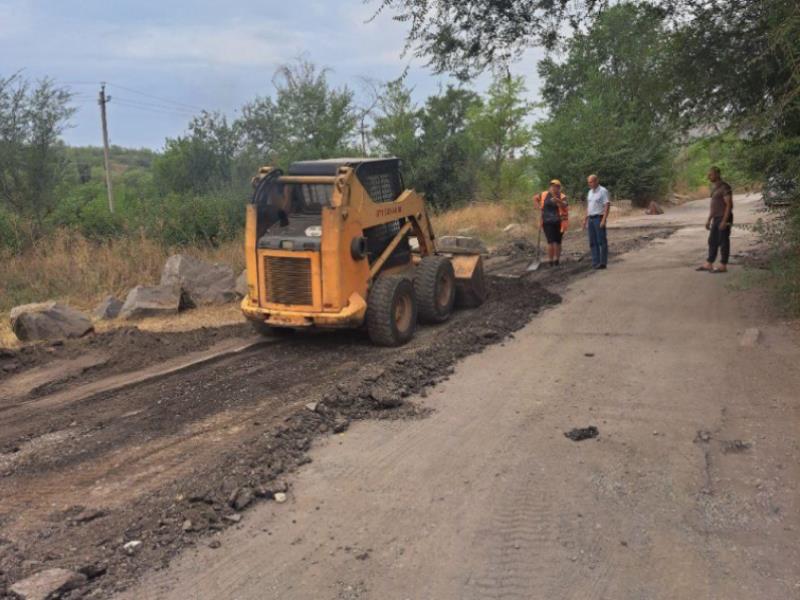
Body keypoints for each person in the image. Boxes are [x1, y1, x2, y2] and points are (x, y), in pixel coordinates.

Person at [697, 166, 733, 273]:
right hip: (716, 218)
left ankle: (723, 265)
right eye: (708, 174)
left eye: (710, 174)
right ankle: (709, 263)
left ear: (717, 174)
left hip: (724, 217)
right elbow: (714, 206)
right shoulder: (715, 188)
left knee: (723, 241)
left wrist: (724, 221)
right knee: (712, 240)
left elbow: (729, 205)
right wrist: (709, 219)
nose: (708, 176)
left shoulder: (725, 187)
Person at [535, 179, 569, 267]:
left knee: (558, 242)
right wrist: (538, 206)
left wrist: (558, 201)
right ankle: (550, 261)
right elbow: (535, 198)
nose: (554, 188)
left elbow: (565, 205)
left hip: (559, 222)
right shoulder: (544, 194)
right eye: (552, 186)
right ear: (550, 187)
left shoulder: (562, 196)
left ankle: (557, 260)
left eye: (556, 186)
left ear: (559, 188)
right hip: (547, 222)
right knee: (550, 242)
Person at [583, 174, 610, 269]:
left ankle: (603, 263)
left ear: (596, 181)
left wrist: (603, 220)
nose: (589, 184)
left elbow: (607, 205)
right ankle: (595, 262)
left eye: (591, 182)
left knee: (601, 241)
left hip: (599, 218)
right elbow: (588, 206)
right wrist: (585, 219)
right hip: (591, 219)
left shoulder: (603, 191)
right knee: (592, 242)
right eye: (588, 182)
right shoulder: (589, 192)